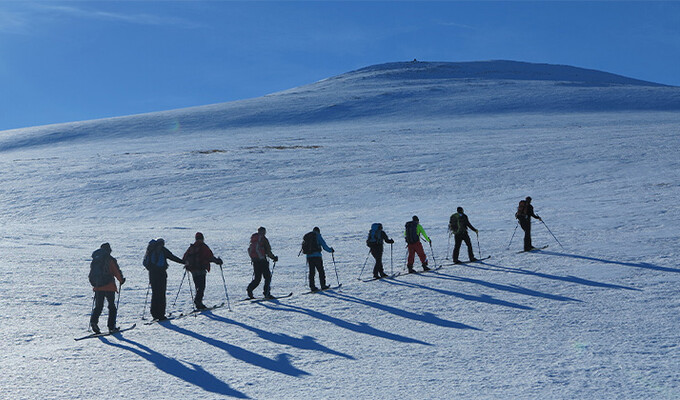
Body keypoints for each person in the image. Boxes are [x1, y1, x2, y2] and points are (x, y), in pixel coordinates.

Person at [143, 238, 185, 320]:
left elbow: (146, 263)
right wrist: (184, 262)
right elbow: (173, 257)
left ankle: (154, 314)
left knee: (155, 294)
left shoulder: (151, 250)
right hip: (161, 274)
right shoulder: (163, 250)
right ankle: (161, 314)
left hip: (152, 275)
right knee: (161, 294)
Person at [90, 243, 125, 334]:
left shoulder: (96, 260)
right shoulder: (110, 259)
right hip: (109, 286)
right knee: (112, 307)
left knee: (98, 306)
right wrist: (121, 280)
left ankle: (94, 322)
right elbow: (116, 271)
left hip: (98, 286)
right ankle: (111, 326)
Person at [183, 232, 223, 310]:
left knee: (198, 286)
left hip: (193, 270)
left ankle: (198, 303)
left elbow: (184, 258)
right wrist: (217, 261)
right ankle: (198, 301)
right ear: (202, 238)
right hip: (201, 269)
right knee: (201, 286)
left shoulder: (192, 247)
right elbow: (210, 257)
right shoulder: (203, 247)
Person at [247, 227, 279, 299]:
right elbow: (268, 251)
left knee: (257, 278)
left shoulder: (253, 239)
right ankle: (266, 293)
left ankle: (250, 289)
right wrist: (273, 258)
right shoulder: (263, 240)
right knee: (267, 277)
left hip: (255, 261)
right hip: (263, 261)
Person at [302, 227, 334, 291]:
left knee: (312, 272)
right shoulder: (318, 236)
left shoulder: (308, 237)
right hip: (317, 256)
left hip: (309, 257)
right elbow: (324, 246)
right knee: (321, 271)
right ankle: (323, 285)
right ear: (318, 231)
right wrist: (331, 250)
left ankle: (312, 287)